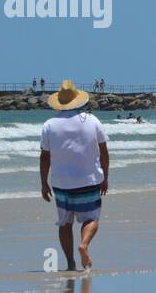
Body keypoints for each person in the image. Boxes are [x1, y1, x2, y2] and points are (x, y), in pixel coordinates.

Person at [40, 80, 108, 272]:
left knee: (64, 223)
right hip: (89, 180)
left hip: (61, 183)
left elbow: (44, 157)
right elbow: (103, 151)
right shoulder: (93, 121)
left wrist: (44, 183)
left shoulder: (49, 125)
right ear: (78, 100)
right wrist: (106, 177)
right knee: (92, 219)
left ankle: (70, 263)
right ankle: (84, 244)